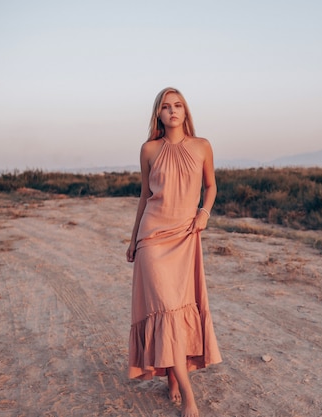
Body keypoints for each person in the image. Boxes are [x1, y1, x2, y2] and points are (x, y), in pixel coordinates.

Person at [126, 87, 222, 417]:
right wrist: (133, 237)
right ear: (158, 114)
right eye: (166, 107)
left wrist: (204, 214)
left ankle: (172, 373)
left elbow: (211, 187)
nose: (172, 111)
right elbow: (144, 196)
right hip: (153, 237)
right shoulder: (149, 150)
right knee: (165, 307)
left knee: (180, 308)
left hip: (186, 235)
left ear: (185, 111)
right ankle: (190, 397)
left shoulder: (202, 146)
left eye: (178, 105)